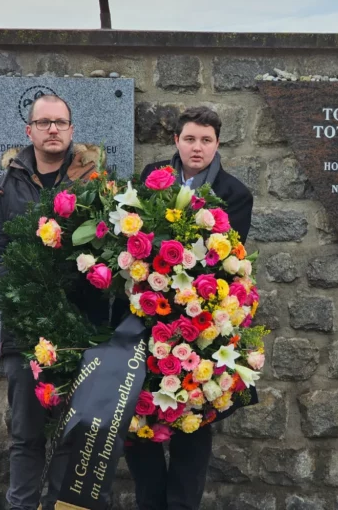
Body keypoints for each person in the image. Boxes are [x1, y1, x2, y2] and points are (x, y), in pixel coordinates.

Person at [124, 106, 253, 510]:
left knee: (193, 422)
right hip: (147, 317)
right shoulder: (151, 178)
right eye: (190, 139)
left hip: (202, 326)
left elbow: (225, 260)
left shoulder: (235, 193)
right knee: (140, 418)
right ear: (176, 141)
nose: (197, 148)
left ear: (217, 144)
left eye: (206, 140)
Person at [0, 95, 103, 510]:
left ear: (71, 130)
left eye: (60, 122)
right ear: (28, 131)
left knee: (75, 430)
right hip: (23, 329)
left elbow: (106, 253)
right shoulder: (6, 184)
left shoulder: (93, 182)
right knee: (26, 434)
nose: (53, 129)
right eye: (44, 122)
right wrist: (31, 297)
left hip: (79, 327)